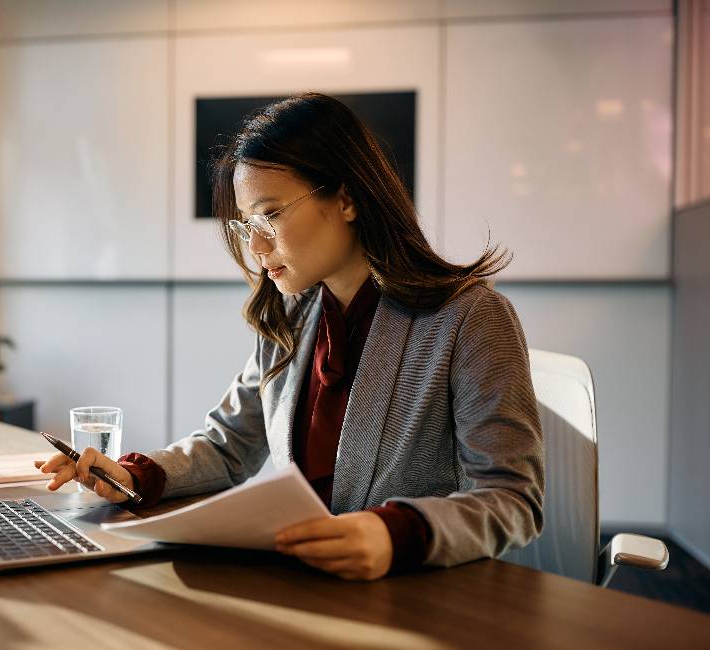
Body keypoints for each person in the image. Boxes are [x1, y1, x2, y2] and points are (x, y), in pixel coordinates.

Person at [36, 92, 544, 582]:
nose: (255, 245)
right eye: (246, 224)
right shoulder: (293, 314)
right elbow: (229, 446)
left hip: (419, 595)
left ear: (346, 198)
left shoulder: (470, 318)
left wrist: (394, 533)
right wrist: (131, 477)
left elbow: (511, 497)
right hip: (308, 584)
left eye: (271, 215)